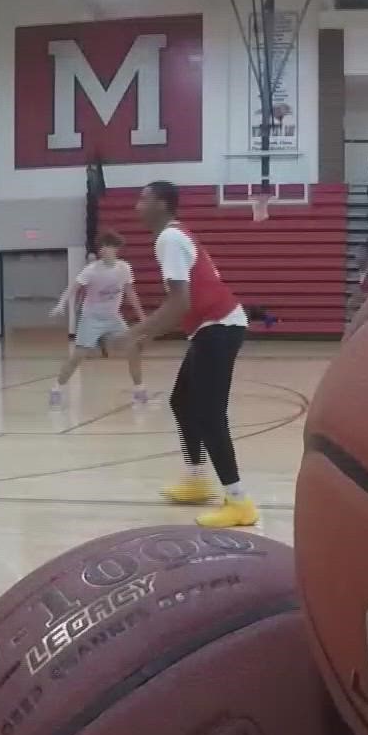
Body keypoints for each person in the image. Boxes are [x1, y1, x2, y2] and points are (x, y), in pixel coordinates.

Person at [107, 182, 256, 528]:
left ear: (162, 204)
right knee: (182, 402)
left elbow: (180, 303)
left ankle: (239, 501)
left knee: (209, 414)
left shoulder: (169, 239)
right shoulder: (173, 237)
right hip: (213, 327)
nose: (136, 207)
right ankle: (196, 479)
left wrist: (136, 334)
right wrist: (147, 334)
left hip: (219, 325)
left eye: (142, 199)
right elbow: (181, 306)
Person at [49, 231, 146, 409]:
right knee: (77, 357)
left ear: (116, 249)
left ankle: (139, 389)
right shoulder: (91, 270)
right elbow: (73, 288)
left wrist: (143, 318)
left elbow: (131, 294)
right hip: (91, 318)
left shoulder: (124, 268)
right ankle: (57, 389)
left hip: (113, 318)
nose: (103, 250)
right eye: (101, 247)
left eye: (107, 246)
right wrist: (61, 304)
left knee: (133, 349)